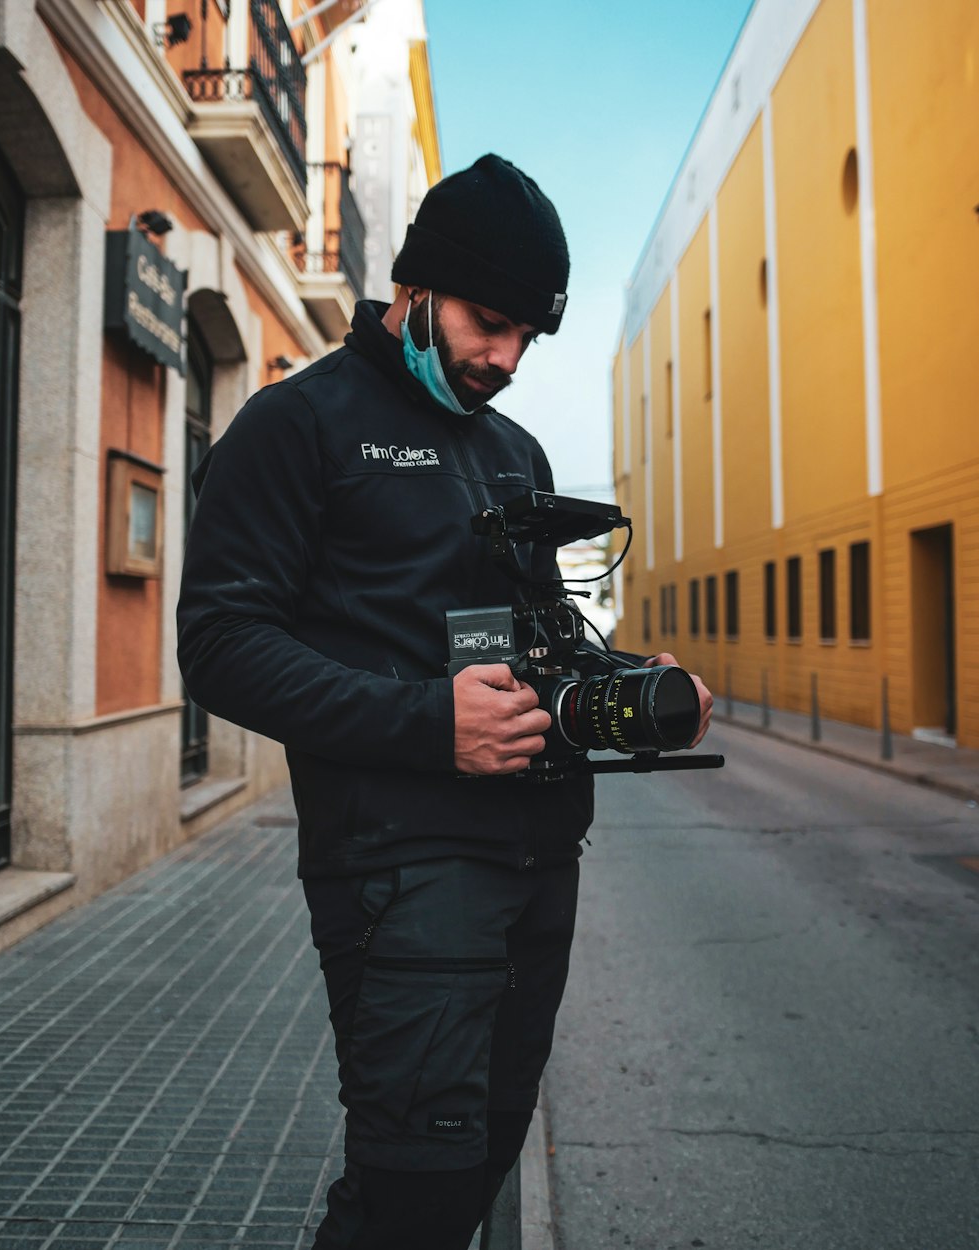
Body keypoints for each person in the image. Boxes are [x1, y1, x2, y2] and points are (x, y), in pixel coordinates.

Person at [178, 154, 713, 1250]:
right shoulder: (298, 424)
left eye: (528, 337)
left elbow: (549, 642)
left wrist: (637, 691)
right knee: (410, 1195)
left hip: (537, 867)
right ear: (416, 283)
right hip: (401, 874)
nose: (505, 358)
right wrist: (432, 722)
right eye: (488, 322)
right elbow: (221, 646)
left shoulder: (515, 453)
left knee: (475, 1171)